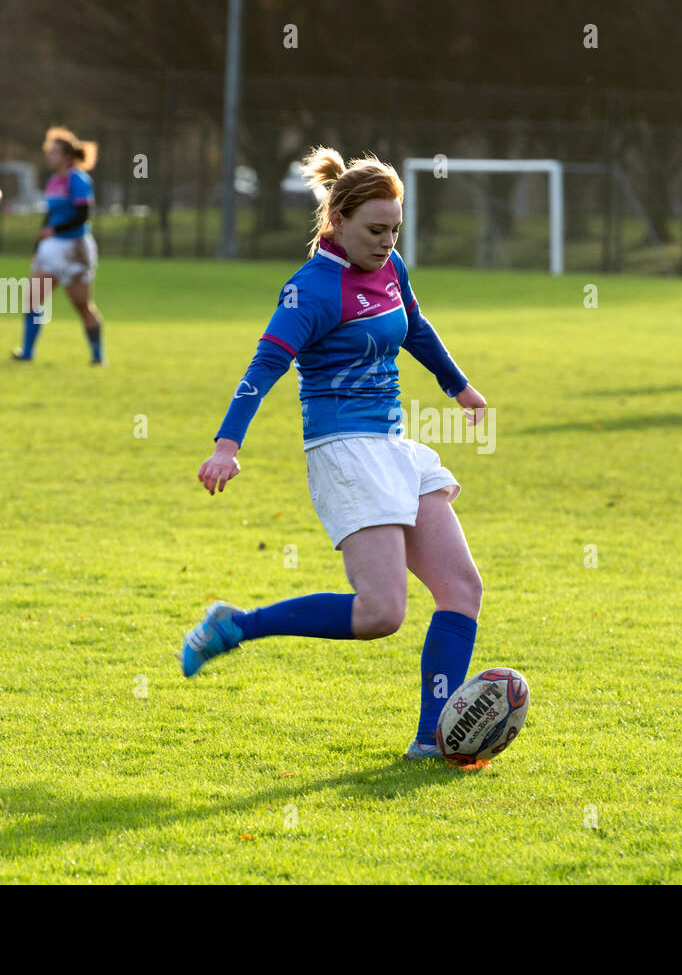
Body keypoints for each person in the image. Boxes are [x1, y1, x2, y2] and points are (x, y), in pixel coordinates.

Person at [181, 147, 489, 763]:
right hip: (344, 451)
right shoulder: (312, 290)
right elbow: (265, 364)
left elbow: (417, 327)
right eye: (375, 230)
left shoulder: (390, 265)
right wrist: (226, 445)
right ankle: (237, 625)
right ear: (338, 219)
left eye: (395, 229)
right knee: (381, 613)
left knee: (461, 587)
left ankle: (434, 740)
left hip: (394, 446)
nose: (387, 241)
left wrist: (457, 386)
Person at [13, 127, 104, 364]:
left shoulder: (78, 179)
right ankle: (27, 352)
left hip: (75, 248)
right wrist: (37, 249)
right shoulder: (54, 181)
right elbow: (49, 217)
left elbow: (83, 215)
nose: (49, 157)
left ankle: (97, 355)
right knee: (33, 298)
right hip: (52, 248)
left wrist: (55, 230)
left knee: (82, 305)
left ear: (67, 155)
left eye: (54, 153)